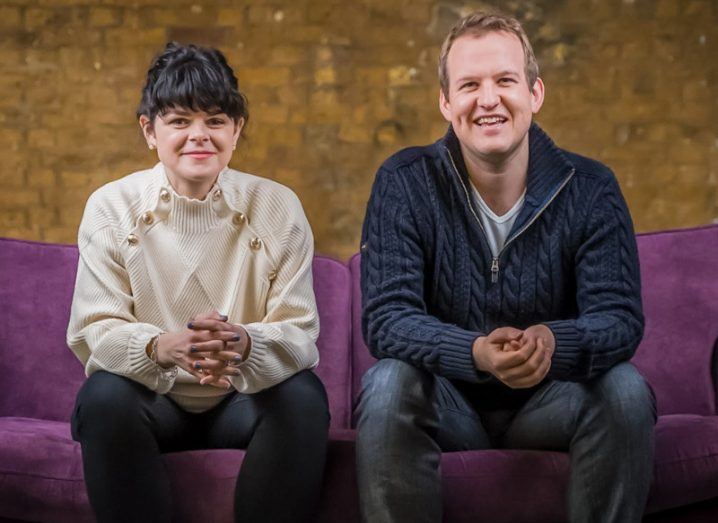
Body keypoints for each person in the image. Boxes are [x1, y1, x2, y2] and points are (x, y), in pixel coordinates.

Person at [356, 11, 656, 523]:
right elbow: (387, 319)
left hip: (550, 406)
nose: (488, 99)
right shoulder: (404, 181)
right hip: (449, 403)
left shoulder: (591, 187)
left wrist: (553, 342)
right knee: (386, 383)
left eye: (505, 81)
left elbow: (619, 318)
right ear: (446, 103)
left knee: (625, 388)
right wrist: (475, 352)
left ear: (535, 93)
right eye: (469, 84)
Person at [67, 42, 328, 523]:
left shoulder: (277, 207)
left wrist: (243, 342)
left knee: (303, 396)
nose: (199, 136)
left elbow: (300, 331)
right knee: (102, 397)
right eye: (180, 121)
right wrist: (164, 347)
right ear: (149, 130)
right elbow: (93, 331)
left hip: (241, 401)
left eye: (215, 120)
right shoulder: (110, 207)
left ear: (237, 129)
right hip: (152, 401)